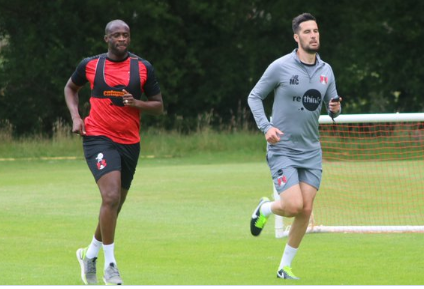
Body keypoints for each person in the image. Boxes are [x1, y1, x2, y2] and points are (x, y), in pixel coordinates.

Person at [64, 19, 164, 285]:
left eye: (126, 35)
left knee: (114, 205)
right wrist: (75, 117)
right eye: (117, 35)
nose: (122, 39)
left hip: (130, 142)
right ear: (106, 38)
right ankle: (110, 265)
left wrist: (137, 103)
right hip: (97, 137)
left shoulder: (142, 67)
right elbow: (70, 88)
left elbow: (158, 106)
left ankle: (89, 254)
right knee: (109, 197)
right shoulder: (90, 65)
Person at [247, 13, 341, 280]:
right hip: (283, 149)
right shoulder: (280, 66)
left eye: (316, 30)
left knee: (307, 210)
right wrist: (266, 127)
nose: (314, 35)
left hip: (311, 150)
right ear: (296, 38)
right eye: (308, 31)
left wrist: (335, 108)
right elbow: (254, 96)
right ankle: (264, 209)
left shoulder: (327, 71)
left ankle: (284, 267)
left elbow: (333, 110)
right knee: (292, 206)